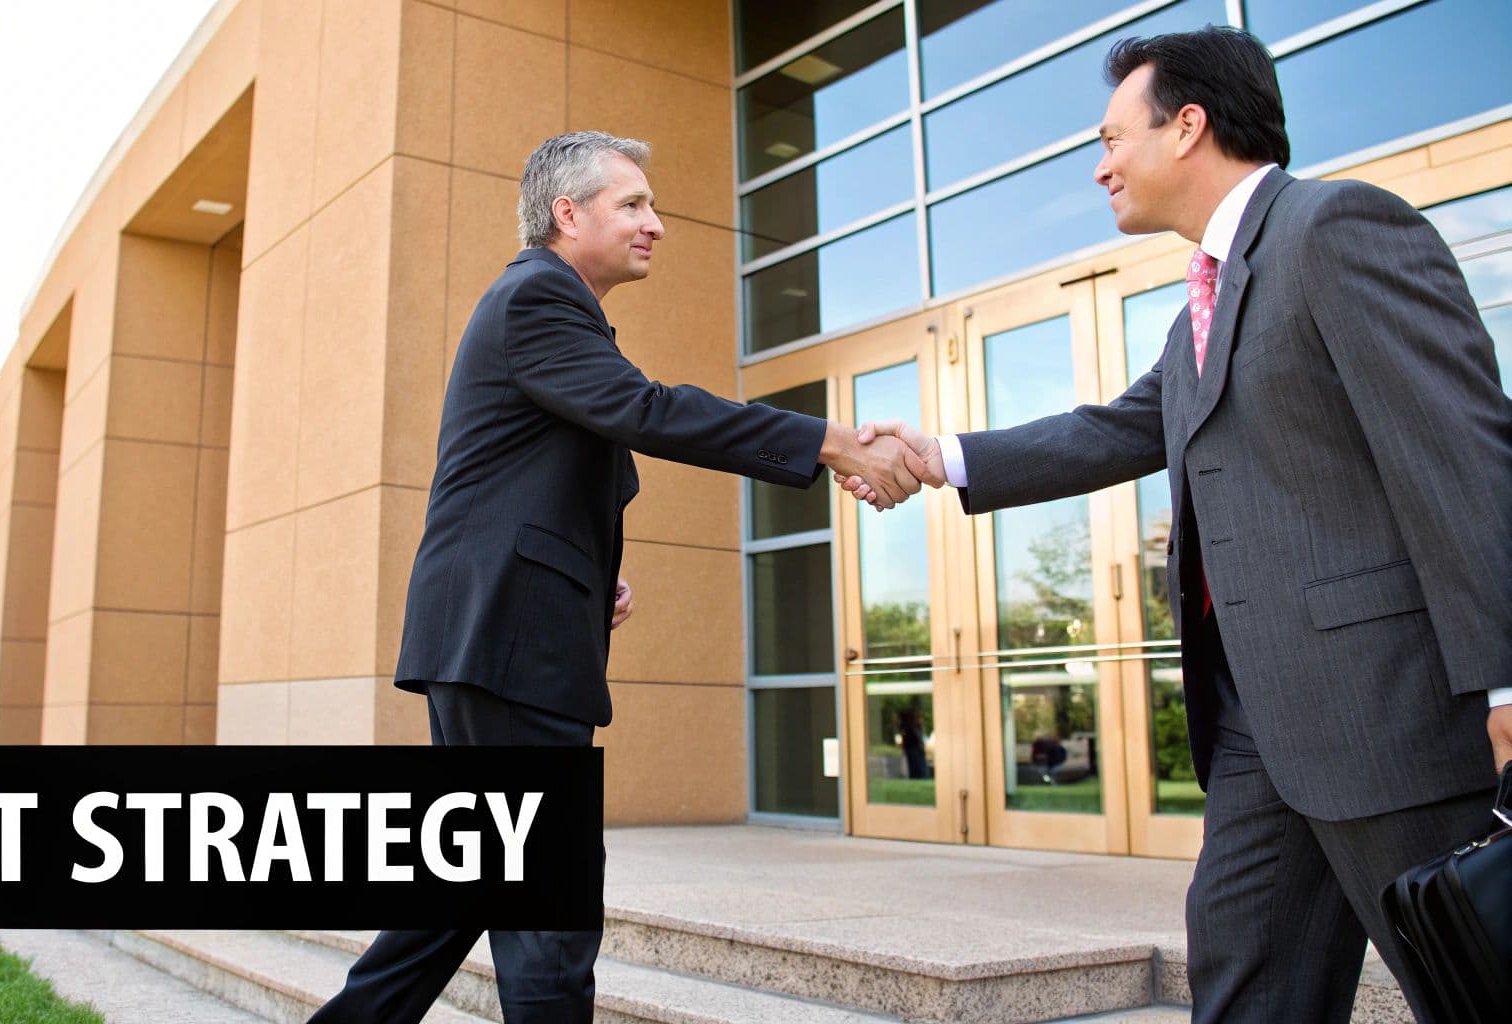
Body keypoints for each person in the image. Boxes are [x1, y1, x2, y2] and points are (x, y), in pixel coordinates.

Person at [840, 26, 1512, 1023]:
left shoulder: (1335, 231)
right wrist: (939, 457)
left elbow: (1459, 451)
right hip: (1258, 730)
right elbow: (1113, 430)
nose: (1099, 163)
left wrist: (1505, 672)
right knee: (1242, 981)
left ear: (1187, 126)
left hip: (1387, 714)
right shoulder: (1200, 303)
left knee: (1469, 978)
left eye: (1111, 136)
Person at [306, 131, 924, 1024]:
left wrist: (594, 582)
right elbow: (648, 411)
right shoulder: (537, 299)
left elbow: (543, 476)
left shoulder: (557, 312)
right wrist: (828, 441)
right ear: (567, 213)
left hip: (502, 632)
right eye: (632, 205)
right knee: (549, 913)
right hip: (504, 640)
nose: (656, 225)